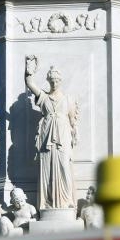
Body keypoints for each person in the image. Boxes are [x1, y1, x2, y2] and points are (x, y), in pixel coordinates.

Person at [25, 55, 78, 210]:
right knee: (47, 169)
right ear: (48, 81)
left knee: (64, 167)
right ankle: (48, 202)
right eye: (52, 81)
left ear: (60, 81)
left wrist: (75, 135)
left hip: (63, 135)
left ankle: (67, 200)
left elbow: (73, 122)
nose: (54, 83)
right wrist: (30, 70)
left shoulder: (68, 99)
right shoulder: (44, 97)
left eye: (56, 81)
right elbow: (29, 83)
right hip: (47, 135)